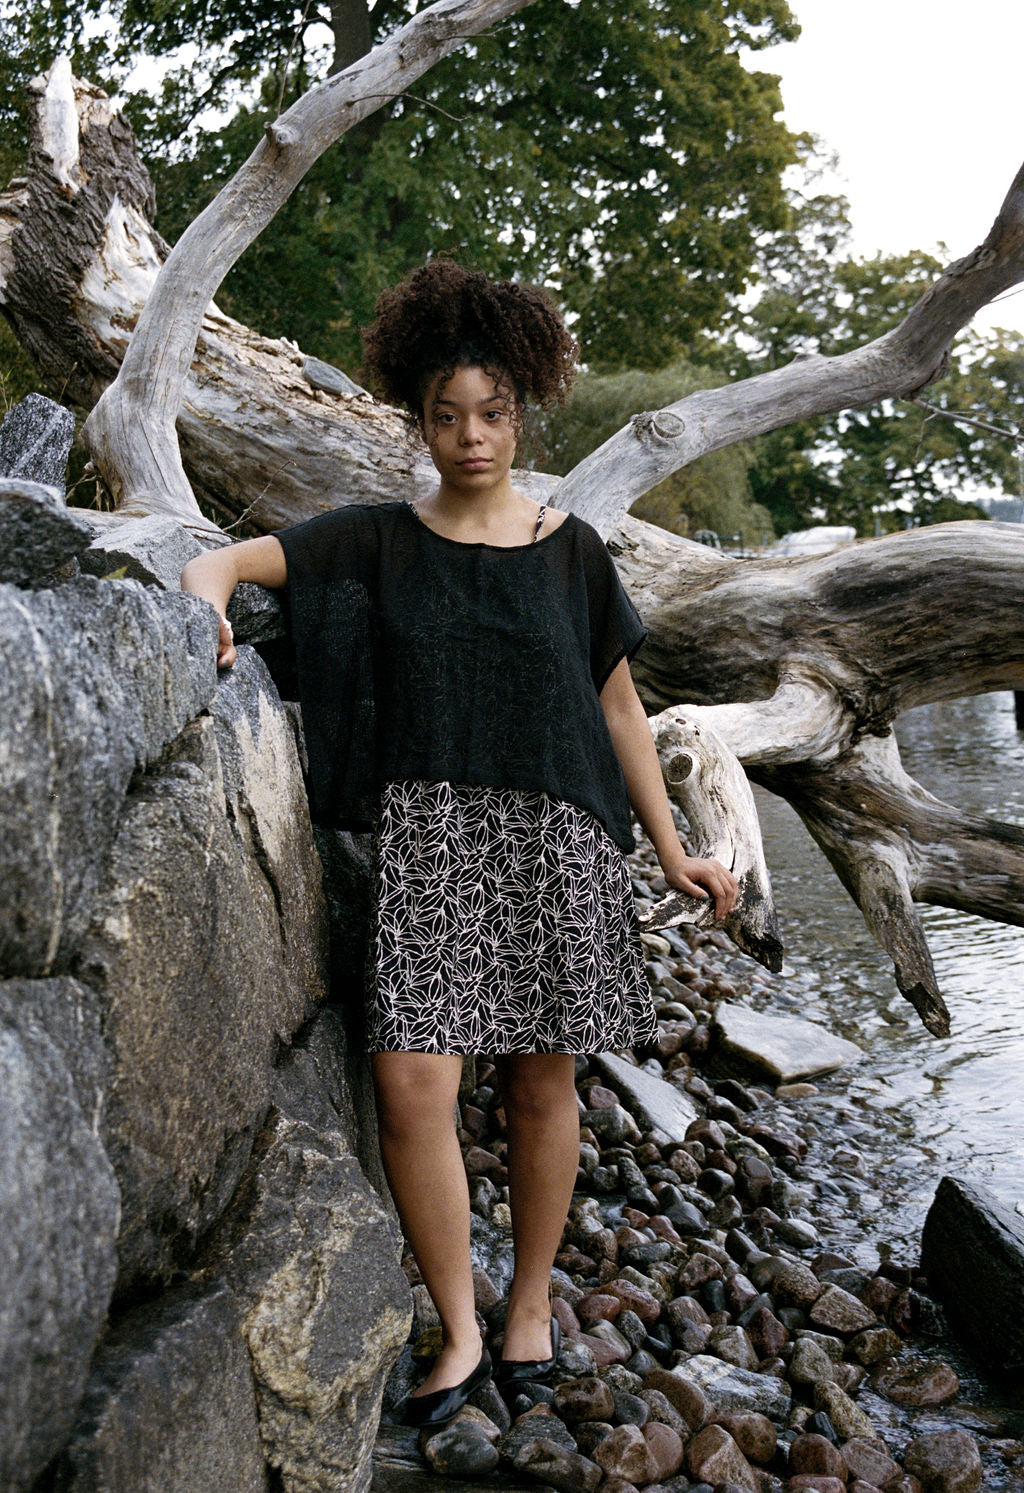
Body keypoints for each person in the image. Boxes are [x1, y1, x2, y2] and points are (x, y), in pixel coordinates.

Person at [181, 258, 737, 1427]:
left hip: (557, 841)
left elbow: (620, 710)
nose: (470, 435)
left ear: (522, 409)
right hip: (431, 841)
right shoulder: (380, 540)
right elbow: (225, 558)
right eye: (446, 415)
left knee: (544, 1083)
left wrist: (674, 842)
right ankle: (459, 1325)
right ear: (418, 418)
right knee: (410, 1083)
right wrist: (206, 605)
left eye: (490, 413)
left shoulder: (573, 551)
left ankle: (530, 1306)